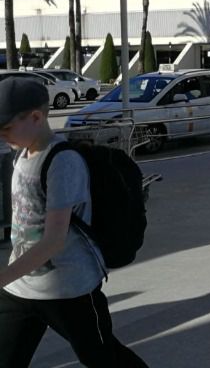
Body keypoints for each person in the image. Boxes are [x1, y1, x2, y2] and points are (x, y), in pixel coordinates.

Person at [0, 78, 148, 368]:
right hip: (21, 288)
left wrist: (3, 277)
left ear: (35, 117)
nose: (2, 135)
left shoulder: (63, 162)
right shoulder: (22, 154)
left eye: (6, 128)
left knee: (105, 359)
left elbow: (54, 240)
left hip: (69, 289)